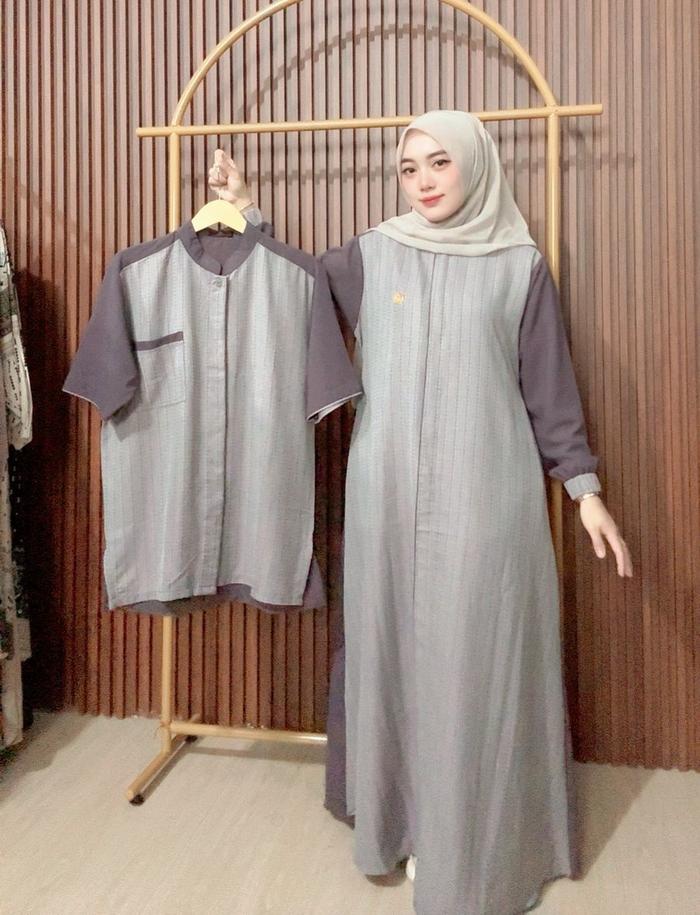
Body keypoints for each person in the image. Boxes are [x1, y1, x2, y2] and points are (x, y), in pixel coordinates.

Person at [208, 111, 633, 915]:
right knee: (393, 649)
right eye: (410, 168)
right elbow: (293, 290)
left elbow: (549, 388)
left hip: (489, 493)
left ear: (475, 163)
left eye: (440, 162)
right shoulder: (375, 253)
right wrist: (249, 207)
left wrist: (584, 490)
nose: (425, 181)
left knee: (476, 661)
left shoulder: (517, 265)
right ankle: (400, 822)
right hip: (384, 492)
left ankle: (474, 837)